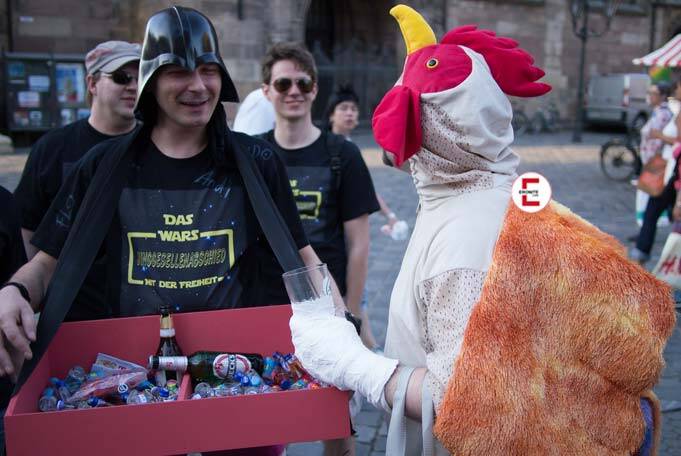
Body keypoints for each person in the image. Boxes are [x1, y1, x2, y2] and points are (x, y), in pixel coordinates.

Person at [288, 5, 675, 455]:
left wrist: (354, 365)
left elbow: (463, 401)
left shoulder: (462, 242)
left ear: (427, 130)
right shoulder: (501, 196)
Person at [0, 9, 328, 455]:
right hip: (134, 380)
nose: (198, 86)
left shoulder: (257, 162)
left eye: (208, 69)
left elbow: (302, 257)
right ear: (151, 81)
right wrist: (15, 291)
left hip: (236, 372)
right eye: (178, 71)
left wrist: (336, 325)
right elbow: (45, 263)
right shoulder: (101, 167)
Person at [258, 43, 380, 456]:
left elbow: (359, 243)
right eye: (283, 83)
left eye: (303, 82)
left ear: (314, 89)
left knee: (336, 422)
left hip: (328, 306)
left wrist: (353, 313)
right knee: (266, 423)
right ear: (266, 91)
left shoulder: (341, 154)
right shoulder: (252, 154)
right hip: (266, 304)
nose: (294, 90)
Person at [12, 40, 141, 321]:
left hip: (138, 310)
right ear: (92, 83)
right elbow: (28, 228)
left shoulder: (156, 145)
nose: (133, 86)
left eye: (140, 77)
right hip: (72, 312)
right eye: (121, 77)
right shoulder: (53, 147)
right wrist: (25, 292)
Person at [631, 78, 681, 263]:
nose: (676, 89)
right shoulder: (675, 111)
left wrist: (659, 135)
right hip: (670, 167)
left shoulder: (672, 113)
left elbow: (679, 141)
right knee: (654, 209)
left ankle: (642, 252)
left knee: (655, 209)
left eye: (679, 87)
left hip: (674, 168)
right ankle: (641, 251)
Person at [632, 82, 673, 229]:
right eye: (649, 93)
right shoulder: (658, 111)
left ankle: (647, 224)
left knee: (648, 191)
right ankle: (645, 224)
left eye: (653, 93)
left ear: (662, 96)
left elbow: (657, 138)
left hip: (654, 160)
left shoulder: (663, 113)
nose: (649, 96)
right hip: (650, 159)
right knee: (647, 191)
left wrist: (651, 159)